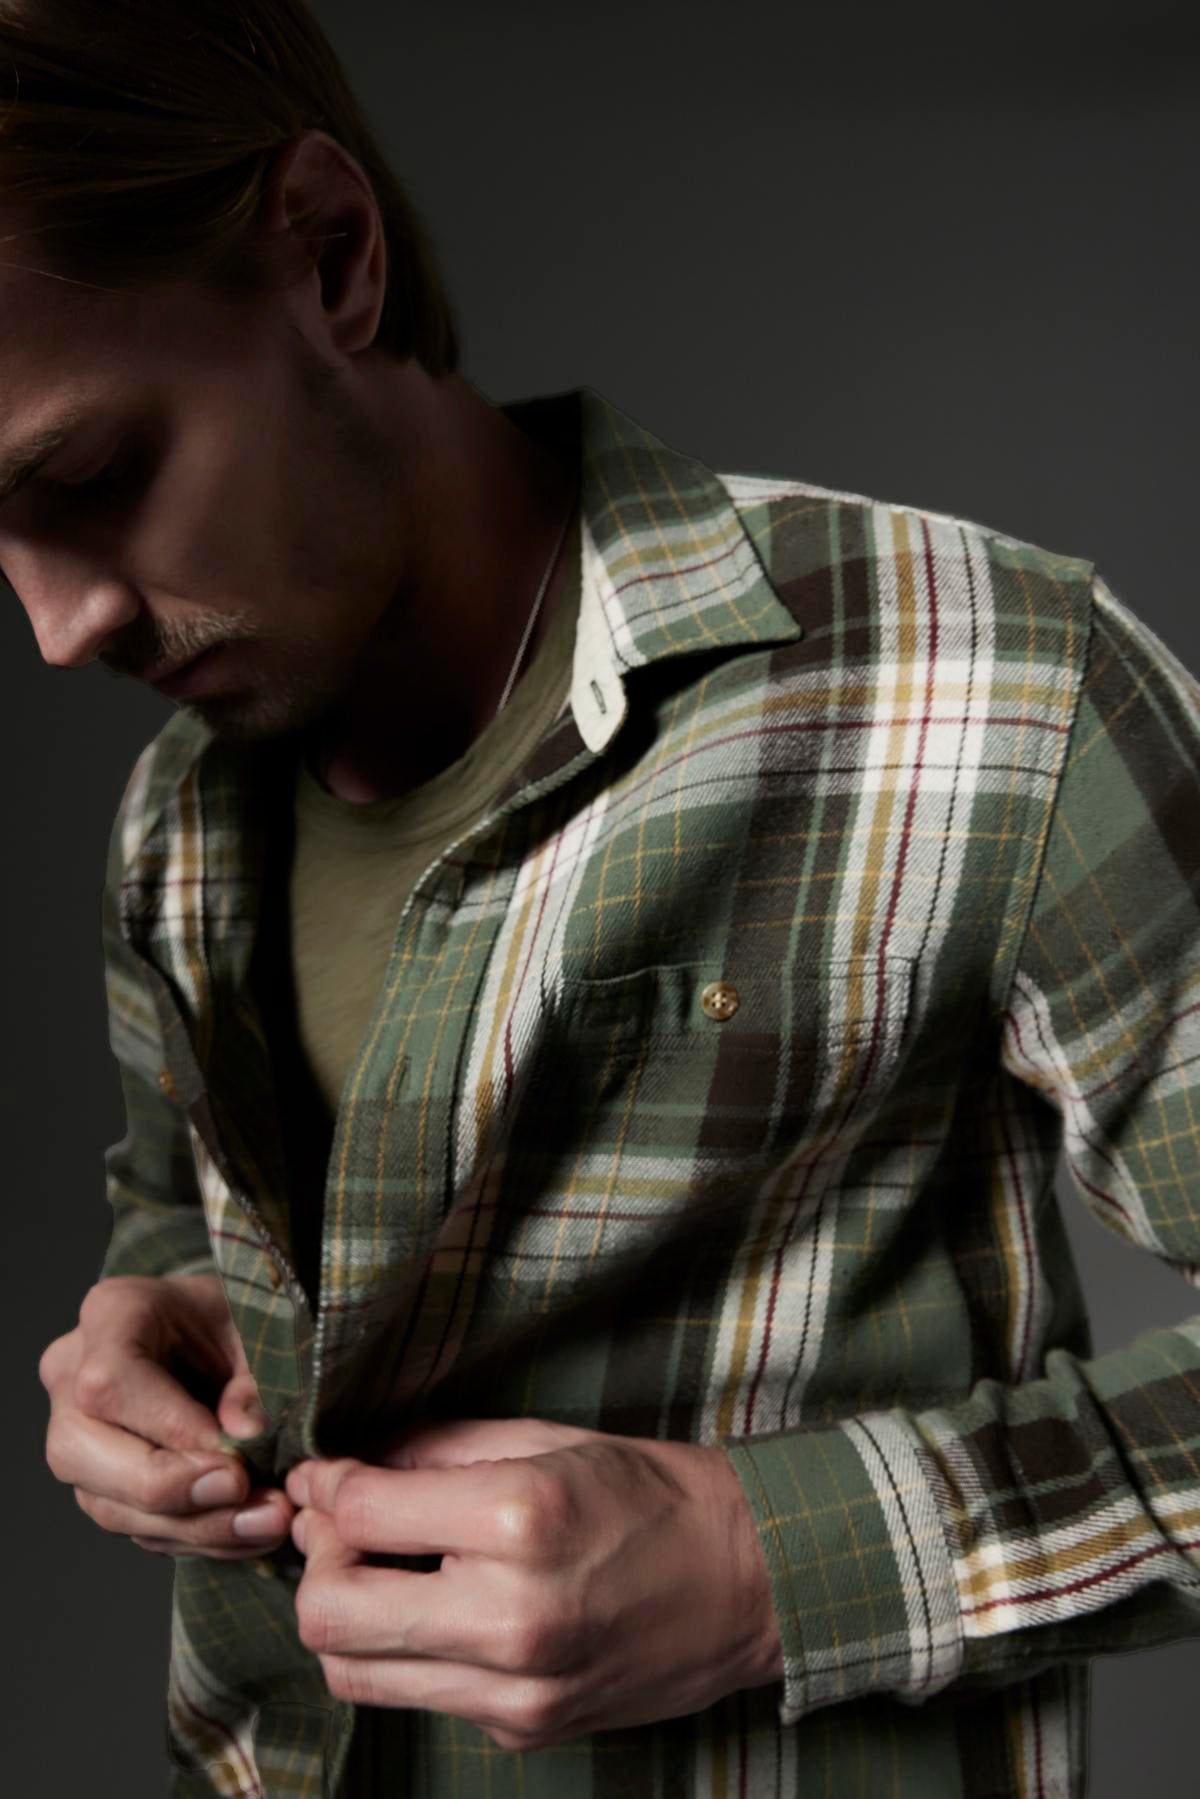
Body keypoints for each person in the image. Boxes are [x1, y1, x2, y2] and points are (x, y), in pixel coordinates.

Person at [22, 3, 1199, 1795]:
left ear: (329, 254)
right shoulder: (176, 817)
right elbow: (165, 1216)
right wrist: (152, 1340)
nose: (59, 626)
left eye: (89, 481)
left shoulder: (999, 692)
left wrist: (766, 1568)